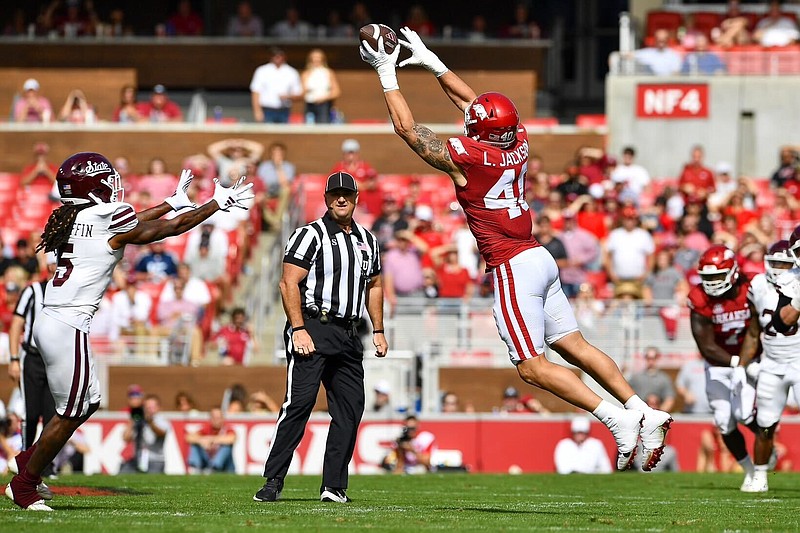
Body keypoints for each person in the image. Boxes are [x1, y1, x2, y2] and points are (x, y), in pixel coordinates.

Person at [360, 26, 671, 472]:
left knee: (530, 366)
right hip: (538, 255)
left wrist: (387, 72)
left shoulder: (470, 158)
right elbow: (474, 106)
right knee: (574, 345)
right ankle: (642, 408)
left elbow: (409, 131)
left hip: (511, 264)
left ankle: (617, 420)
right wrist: (433, 64)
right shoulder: (519, 141)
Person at [4, 152, 253, 510]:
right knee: (72, 410)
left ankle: (30, 461)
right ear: (94, 186)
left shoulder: (74, 216)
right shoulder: (103, 215)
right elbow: (163, 230)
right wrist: (215, 203)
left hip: (53, 318)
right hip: (68, 322)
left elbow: (134, 224)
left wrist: (170, 202)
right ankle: (25, 483)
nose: (112, 186)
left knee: (87, 402)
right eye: (106, 180)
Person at [253, 171, 387, 504]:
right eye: (335, 194)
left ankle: (333, 486)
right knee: (298, 404)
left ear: (356, 198)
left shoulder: (368, 241)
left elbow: (375, 286)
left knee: (350, 408)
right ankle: (273, 481)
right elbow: (288, 283)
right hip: (313, 325)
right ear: (326, 199)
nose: (341, 199)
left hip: (348, 332)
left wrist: (380, 330)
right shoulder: (308, 235)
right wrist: (298, 328)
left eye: (347, 194)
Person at [687, 244, 760, 491]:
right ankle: (749, 471)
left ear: (733, 272)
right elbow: (705, 346)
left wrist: (749, 361)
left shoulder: (753, 286)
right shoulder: (699, 297)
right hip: (719, 362)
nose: (712, 283)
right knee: (724, 421)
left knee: (744, 413)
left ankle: (766, 441)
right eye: (708, 277)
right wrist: (735, 363)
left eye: (718, 276)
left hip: (752, 358)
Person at [737, 239, 799, 492]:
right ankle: (760, 476)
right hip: (772, 363)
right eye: (774, 262)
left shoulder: (797, 281)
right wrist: (741, 367)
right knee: (764, 423)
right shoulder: (758, 285)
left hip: (798, 359)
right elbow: (753, 332)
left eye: (784, 262)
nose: (778, 267)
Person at [8, 253, 57, 490]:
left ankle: (46, 464)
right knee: (30, 411)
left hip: (56, 358)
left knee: (53, 413)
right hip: (32, 357)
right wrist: (14, 358)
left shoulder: (66, 293)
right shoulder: (32, 291)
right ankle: (25, 461)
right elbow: (17, 323)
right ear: (49, 266)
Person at [250, 47, 302, 124]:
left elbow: (298, 93)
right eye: (275, 55)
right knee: (267, 134)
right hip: (267, 110)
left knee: (284, 135)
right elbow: (256, 92)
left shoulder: (291, 72)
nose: (277, 57)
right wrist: (257, 111)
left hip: (284, 110)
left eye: (280, 55)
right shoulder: (262, 71)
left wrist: (288, 96)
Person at [119, 393, 170, 474]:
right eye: (147, 407)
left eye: (152, 407)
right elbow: (126, 438)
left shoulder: (161, 419)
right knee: (122, 473)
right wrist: (132, 421)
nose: (149, 410)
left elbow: (161, 433)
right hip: (138, 459)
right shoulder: (139, 420)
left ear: (158, 408)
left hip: (155, 461)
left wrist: (150, 422)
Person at [186, 407, 236, 474]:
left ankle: (215, 467)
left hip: (225, 466)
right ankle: (195, 467)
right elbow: (189, 437)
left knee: (227, 447)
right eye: (214, 418)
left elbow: (232, 439)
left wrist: (211, 440)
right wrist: (201, 441)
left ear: (223, 418)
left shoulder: (227, 429)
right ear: (210, 419)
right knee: (195, 444)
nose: (216, 420)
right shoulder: (206, 429)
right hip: (208, 460)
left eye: (218, 418)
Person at [627, 347, 676, 413]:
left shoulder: (664, 378)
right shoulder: (636, 378)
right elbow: (626, 394)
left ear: (657, 358)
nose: (651, 361)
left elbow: (669, 398)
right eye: (648, 357)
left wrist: (660, 414)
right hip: (638, 415)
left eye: (654, 358)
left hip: (656, 415)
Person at [301, 48, 341, 124]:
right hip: (309, 105)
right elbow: (302, 91)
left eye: (318, 57)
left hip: (324, 106)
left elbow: (336, 92)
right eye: (314, 57)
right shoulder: (306, 74)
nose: (316, 60)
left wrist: (324, 98)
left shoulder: (328, 73)